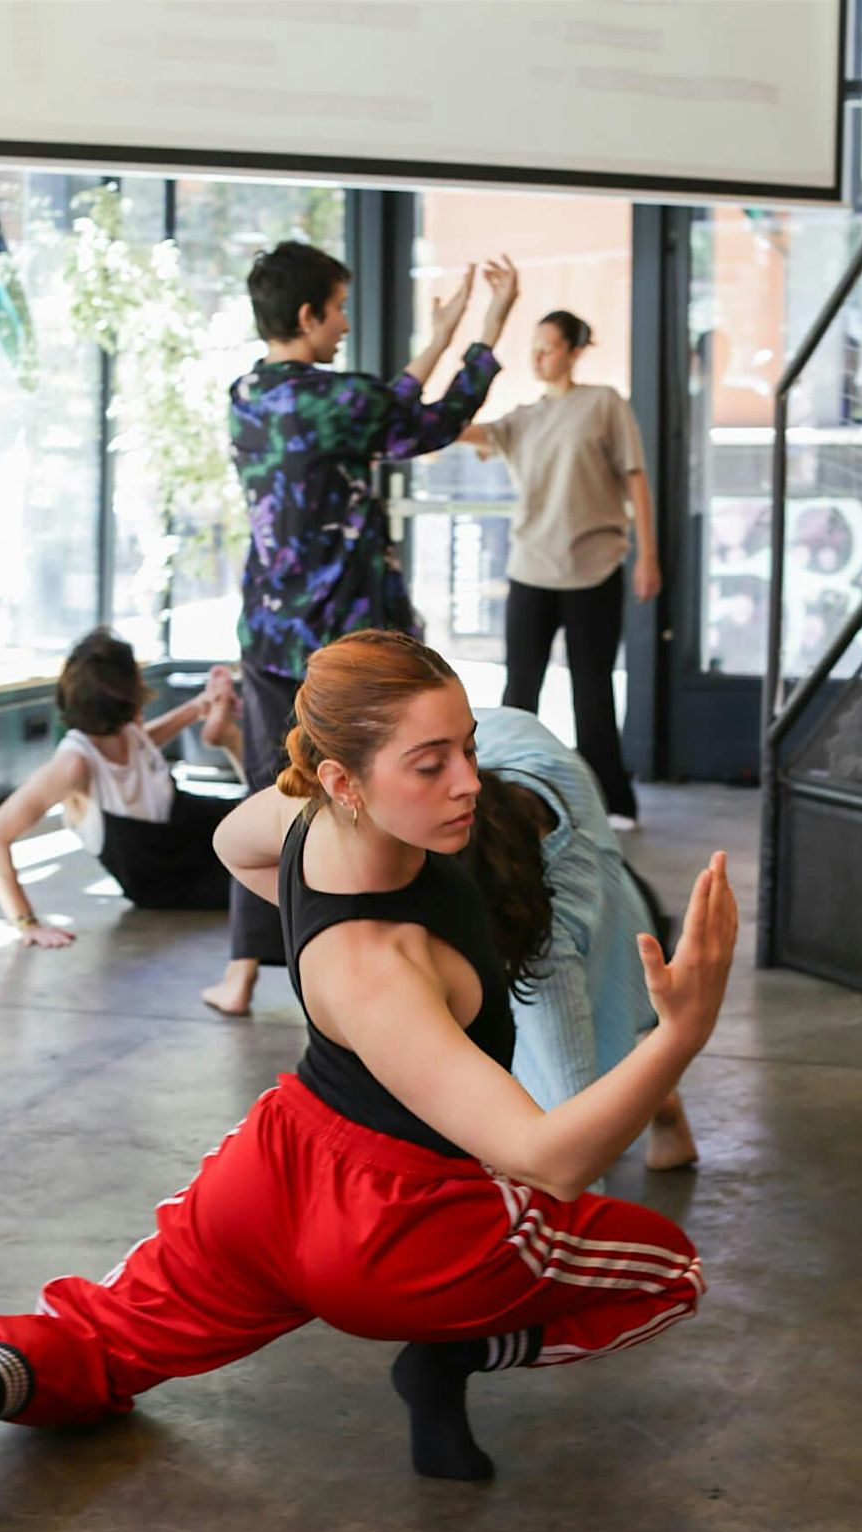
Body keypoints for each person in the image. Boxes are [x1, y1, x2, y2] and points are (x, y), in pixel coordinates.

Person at [0, 631, 736, 1532]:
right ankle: (448, 1357)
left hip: (271, 1167)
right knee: (671, 1271)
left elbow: (235, 845)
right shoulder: (381, 967)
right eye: (430, 765)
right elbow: (550, 1160)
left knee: (107, 1334)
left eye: (466, 747)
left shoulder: (302, 820)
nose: (468, 779)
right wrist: (681, 1034)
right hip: (403, 1230)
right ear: (348, 781)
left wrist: (315, 927)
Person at [214, 239, 519, 1018]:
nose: (346, 322)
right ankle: (385, 954)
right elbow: (427, 421)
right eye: (340, 308)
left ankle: (246, 972)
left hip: (267, 633)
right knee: (378, 795)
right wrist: (487, 327)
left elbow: (375, 412)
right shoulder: (339, 401)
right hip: (343, 647)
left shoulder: (247, 393)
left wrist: (440, 334)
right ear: (310, 314)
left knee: (271, 795)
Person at [464, 706, 696, 1182]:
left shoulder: (549, 950)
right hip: (615, 895)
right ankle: (666, 1109)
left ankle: (665, 1108)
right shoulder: (492, 758)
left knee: (577, 1056)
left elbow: (573, 1140)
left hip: (598, 913)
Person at [461, 309, 660, 827]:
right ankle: (499, 796)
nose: (539, 356)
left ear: (574, 350)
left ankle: (612, 802)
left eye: (548, 346)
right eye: (534, 346)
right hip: (531, 567)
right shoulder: (523, 418)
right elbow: (462, 431)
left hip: (594, 565)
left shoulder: (604, 404)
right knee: (519, 689)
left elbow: (636, 480)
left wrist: (649, 556)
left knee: (592, 688)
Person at [0, 629, 245, 1011]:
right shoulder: (73, 764)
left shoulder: (125, 730)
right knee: (265, 879)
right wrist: (26, 922)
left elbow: (142, 744)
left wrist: (197, 707)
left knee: (272, 817)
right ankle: (228, 739)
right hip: (161, 871)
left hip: (182, 823)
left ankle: (226, 737)